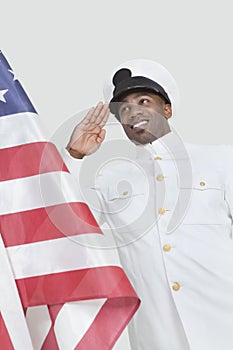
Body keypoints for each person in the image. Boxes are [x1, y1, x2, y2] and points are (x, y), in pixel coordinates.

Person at [64, 59, 233, 350]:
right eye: (124, 108)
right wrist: (74, 156)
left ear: (166, 109)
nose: (133, 112)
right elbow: (69, 227)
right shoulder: (109, 178)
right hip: (157, 337)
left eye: (144, 100)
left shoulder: (221, 160)